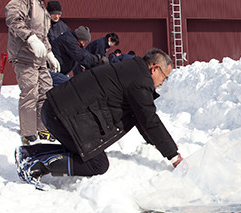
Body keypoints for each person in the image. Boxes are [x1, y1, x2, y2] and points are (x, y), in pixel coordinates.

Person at [15, 48, 183, 186]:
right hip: (63, 115)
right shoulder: (140, 80)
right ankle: (37, 165)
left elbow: (140, 117)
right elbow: (148, 118)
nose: (162, 83)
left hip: (56, 109)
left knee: (85, 154)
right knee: (96, 164)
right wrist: (173, 155)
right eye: (164, 77)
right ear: (154, 69)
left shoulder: (131, 70)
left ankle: (30, 153)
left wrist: (158, 143)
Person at [5, 0, 61, 145]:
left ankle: (43, 128)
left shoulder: (42, 8)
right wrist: (30, 38)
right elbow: (13, 17)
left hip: (40, 58)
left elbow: (43, 37)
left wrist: (50, 54)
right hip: (24, 56)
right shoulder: (24, 2)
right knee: (30, 93)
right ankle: (28, 132)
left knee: (46, 92)